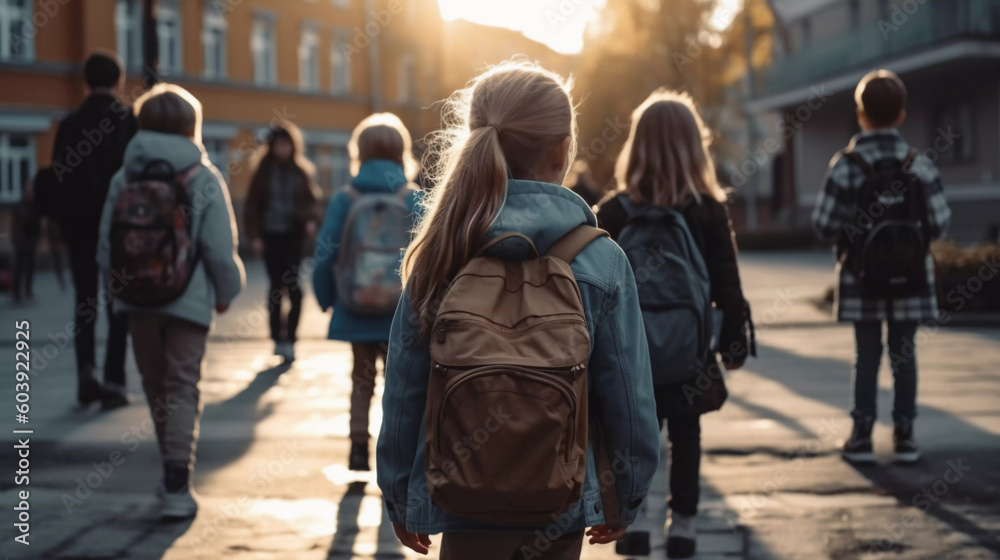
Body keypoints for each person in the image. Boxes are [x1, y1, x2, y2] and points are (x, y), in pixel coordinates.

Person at [376, 61, 660, 559]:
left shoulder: (443, 251)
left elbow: (404, 385)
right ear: (562, 149)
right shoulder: (600, 259)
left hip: (459, 494)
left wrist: (401, 495)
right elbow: (628, 393)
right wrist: (626, 493)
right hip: (560, 499)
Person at [597, 90, 755, 559]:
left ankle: (636, 522)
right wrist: (733, 342)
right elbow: (727, 282)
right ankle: (683, 527)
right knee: (687, 435)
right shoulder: (707, 208)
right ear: (693, 145)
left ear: (637, 145)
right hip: (691, 350)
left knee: (633, 433)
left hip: (632, 354)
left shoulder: (615, 211)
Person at [97, 83, 245, 520]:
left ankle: (170, 473)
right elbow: (220, 248)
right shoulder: (202, 177)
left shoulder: (124, 178)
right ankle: (178, 481)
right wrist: (225, 293)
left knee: (155, 386)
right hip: (189, 300)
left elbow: (105, 244)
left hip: (136, 302)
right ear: (191, 126)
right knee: (182, 386)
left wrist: (116, 292)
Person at [812, 70, 950, 465]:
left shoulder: (847, 163)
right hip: (911, 277)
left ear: (861, 114)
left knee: (866, 356)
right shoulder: (918, 164)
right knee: (904, 353)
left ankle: (862, 437)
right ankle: (905, 437)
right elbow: (939, 223)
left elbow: (823, 226)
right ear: (902, 116)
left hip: (863, 278)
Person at [312, 113, 421, 472]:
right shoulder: (414, 200)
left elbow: (325, 251)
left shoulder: (346, 198)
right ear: (400, 153)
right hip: (402, 312)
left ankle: (359, 446)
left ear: (359, 152)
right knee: (400, 383)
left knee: (361, 380)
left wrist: (327, 297)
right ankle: (397, 449)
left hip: (356, 307)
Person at [45, 50, 137, 410]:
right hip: (118, 227)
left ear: (85, 81)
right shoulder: (128, 120)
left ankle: (87, 373)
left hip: (78, 226)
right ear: (119, 81)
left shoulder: (69, 123)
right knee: (119, 304)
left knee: (84, 301)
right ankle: (114, 381)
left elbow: (58, 176)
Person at [244, 123, 321, 362]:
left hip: (293, 236)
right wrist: (255, 237)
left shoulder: (300, 172)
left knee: (294, 288)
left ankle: (292, 338)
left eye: (286, 145)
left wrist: (310, 221)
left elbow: (312, 203)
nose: (282, 149)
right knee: (276, 287)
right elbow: (252, 208)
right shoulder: (262, 174)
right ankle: (278, 338)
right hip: (270, 237)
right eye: (278, 145)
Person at [11, 175, 40, 303]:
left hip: (31, 241)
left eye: (32, 189)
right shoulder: (19, 206)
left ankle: (28, 291)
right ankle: (16, 293)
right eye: (28, 189)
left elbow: (37, 224)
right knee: (19, 268)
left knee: (30, 268)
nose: (30, 191)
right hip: (21, 242)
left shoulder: (34, 205)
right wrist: (18, 241)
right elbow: (17, 226)